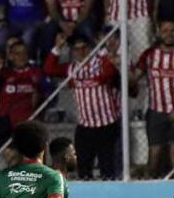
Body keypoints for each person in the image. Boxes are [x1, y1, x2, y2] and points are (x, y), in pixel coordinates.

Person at [44, 34, 122, 180]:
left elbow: (110, 73)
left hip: (106, 123)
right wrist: (57, 48)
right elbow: (49, 69)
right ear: (73, 51)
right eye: (77, 49)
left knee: (107, 167)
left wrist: (103, 50)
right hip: (85, 125)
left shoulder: (100, 64)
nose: (81, 52)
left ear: (91, 49)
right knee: (83, 167)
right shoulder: (71, 69)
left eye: (84, 48)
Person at [132, 20, 174, 178]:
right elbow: (133, 79)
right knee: (154, 156)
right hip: (156, 112)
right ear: (159, 33)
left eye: (172, 30)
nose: (169, 34)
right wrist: (120, 66)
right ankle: (151, 186)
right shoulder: (149, 55)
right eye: (165, 31)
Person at [0, 40, 41, 161]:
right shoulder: (4, 74)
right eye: (17, 54)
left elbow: (38, 97)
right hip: (5, 121)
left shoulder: (35, 73)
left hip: (26, 121)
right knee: (10, 151)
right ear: (10, 56)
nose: (21, 57)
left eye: (24, 53)